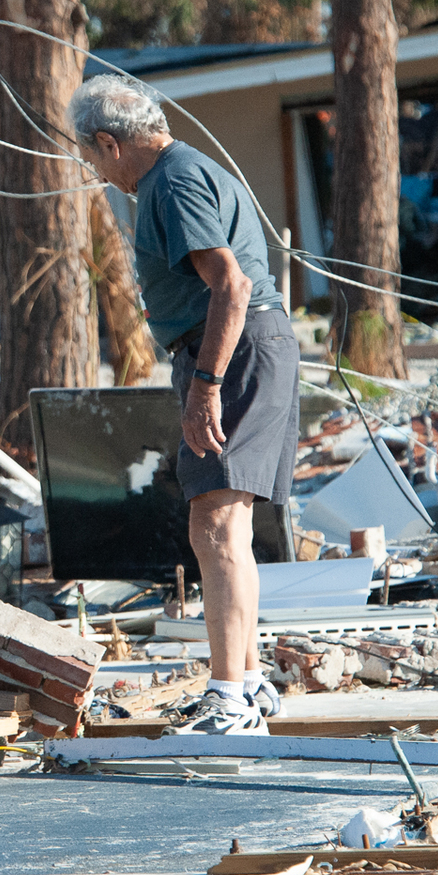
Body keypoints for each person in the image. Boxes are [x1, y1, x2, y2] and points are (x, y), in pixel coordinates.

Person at [70, 73, 298, 736]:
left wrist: (204, 385)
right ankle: (248, 682)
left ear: (108, 143)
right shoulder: (184, 170)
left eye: (89, 157)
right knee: (226, 523)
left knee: (215, 527)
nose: (93, 171)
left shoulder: (170, 181)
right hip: (244, 344)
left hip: (230, 348)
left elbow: (230, 283)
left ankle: (228, 698)